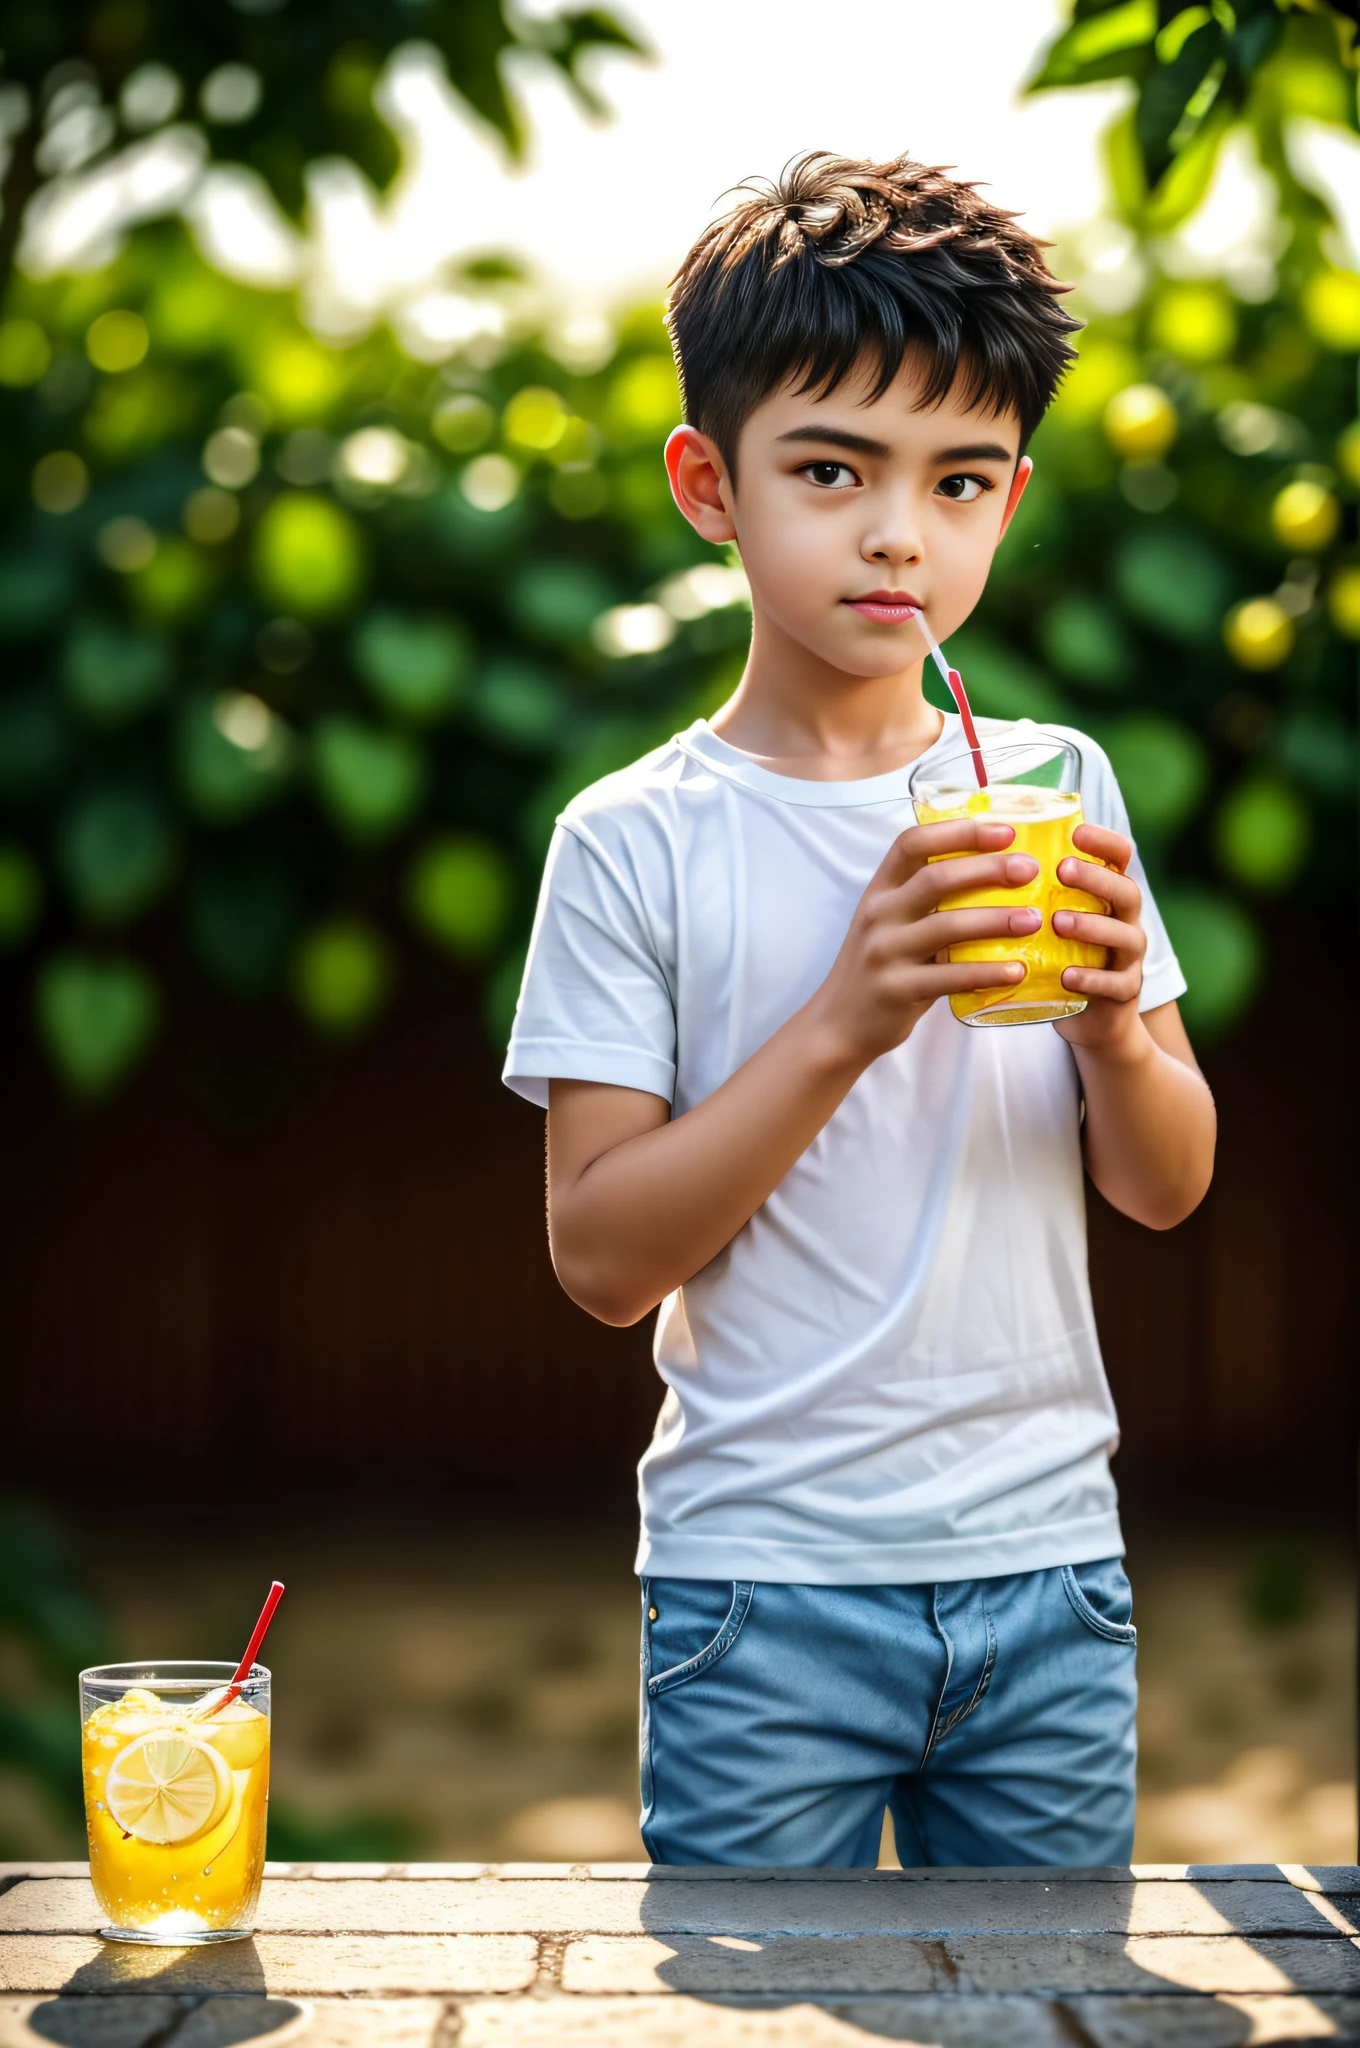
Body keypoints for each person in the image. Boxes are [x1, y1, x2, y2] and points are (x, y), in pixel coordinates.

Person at [503, 152, 1217, 1868]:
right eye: (833, 469)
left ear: (1010, 503)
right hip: (765, 1592)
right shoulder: (635, 840)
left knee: (1051, 2010)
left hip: (1050, 1573)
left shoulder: (1054, 784)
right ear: (710, 484)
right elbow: (603, 1261)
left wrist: (1119, 1033)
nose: (901, 531)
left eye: (960, 481)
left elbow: (1167, 1183)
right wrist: (847, 1015)